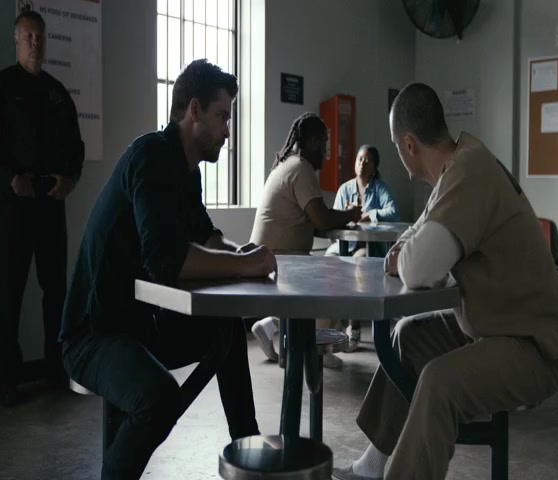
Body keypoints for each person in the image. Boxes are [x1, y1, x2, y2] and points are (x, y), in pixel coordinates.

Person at [334, 83, 558, 480]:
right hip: (492, 324)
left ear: (409, 145)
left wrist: (404, 257)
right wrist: (405, 254)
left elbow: (419, 268)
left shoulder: (469, 171)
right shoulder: (454, 171)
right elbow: (414, 235)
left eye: (395, 147)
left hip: (534, 346)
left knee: (439, 383)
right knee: (407, 335)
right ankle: (372, 465)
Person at [59, 60, 276, 480]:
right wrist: (244, 263)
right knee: (157, 397)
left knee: (228, 329)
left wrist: (246, 252)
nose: (227, 131)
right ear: (194, 110)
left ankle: (248, 456)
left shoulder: (185, 169)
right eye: (222, 116)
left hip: (137, 326)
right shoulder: (151, 156)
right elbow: (166, 263)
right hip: (92, 335)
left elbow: (207, 236)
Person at [0, 9, 84, 407]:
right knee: (9, 292)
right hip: (13, 207)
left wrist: (70, 180)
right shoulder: (3, 86)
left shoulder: (57, 92)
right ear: (16, 40)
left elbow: (76, 147)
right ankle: (6, 378)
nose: (36, 43)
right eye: (29, 36)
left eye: (40, 37)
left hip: (51, 204)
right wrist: (8, 178)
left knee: (56, 291)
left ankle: (56, 368)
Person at [249, 113, 361, 368]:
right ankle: (316, 349)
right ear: (312, 142)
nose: (326, 153)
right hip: (280, 259)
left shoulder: (287, 165)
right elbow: (322, 219)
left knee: (330, 271)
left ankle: (272, 326)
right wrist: (352, 214)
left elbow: (314, 219)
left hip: (268, 258)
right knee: (342, 277)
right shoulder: (301, 168)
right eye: (324, 144)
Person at [325, 144, 399, 351]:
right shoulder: (345, 189)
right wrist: (346, 215)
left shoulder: (379, 188)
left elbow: (393, 211)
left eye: (367, 161)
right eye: (359, 159)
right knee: (328, 263)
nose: (362, 164)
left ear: (375, 167)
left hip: (367, 247)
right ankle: (329, 325)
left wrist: (369, 214)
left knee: (358, 264)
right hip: (343, 244)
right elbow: (334, 218)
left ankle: (353, 326)